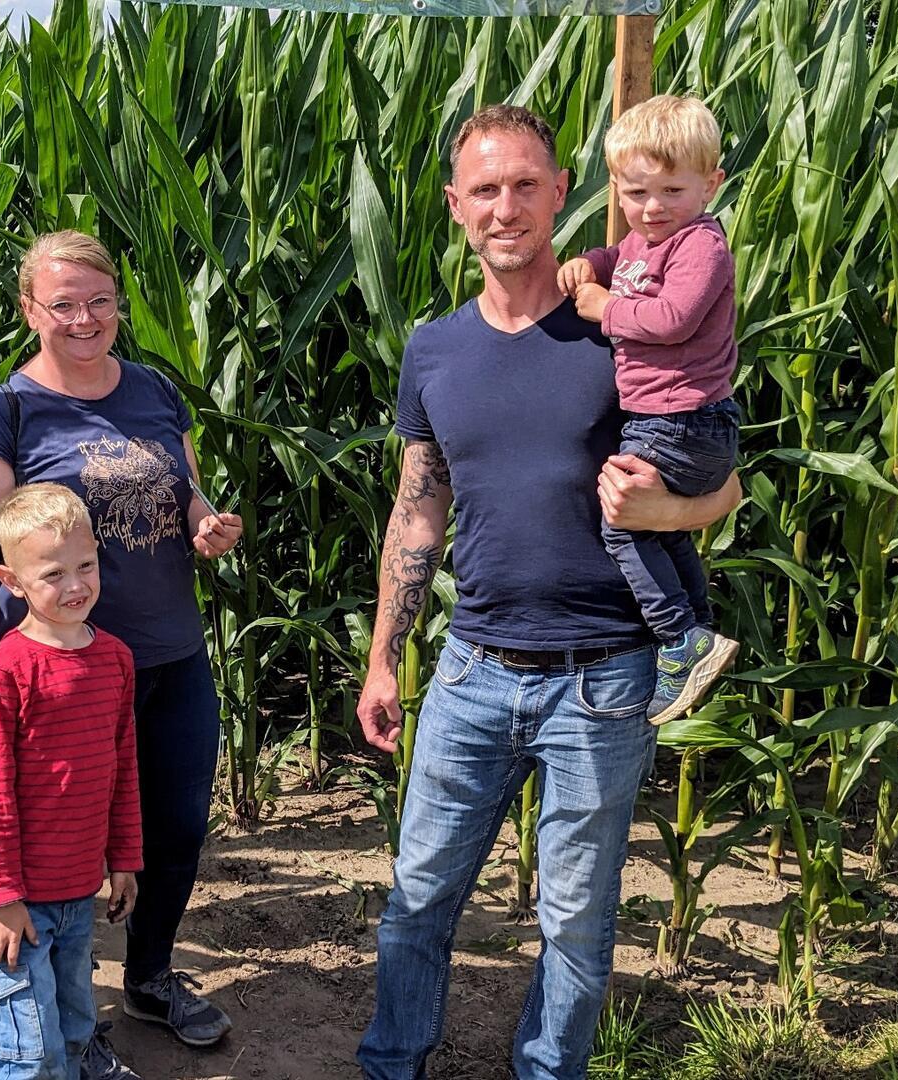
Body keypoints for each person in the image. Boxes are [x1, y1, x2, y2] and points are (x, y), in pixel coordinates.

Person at [354, 105, 743, 1080]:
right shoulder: (434, 349)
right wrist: (382, 657)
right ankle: (391, 1064)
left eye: (527, 183)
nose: (506, 206)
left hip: (606, 681)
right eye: (485, 188)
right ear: (455, 206)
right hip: (471, 670)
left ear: (564, 191)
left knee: (575, 917)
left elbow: (723, 483)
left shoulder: (625, 329)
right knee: (420, 894)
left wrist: (662, 516)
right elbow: (418, 509)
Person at [0, 230, 243, 1050]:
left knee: (174, 829)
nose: (84, 318)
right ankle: (63, 1024)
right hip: (59, 680)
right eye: (62, 303)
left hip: (170, 655)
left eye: (99, 300)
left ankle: (148, 978)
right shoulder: (3, 415)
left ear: (119, 302)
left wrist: (206, 523)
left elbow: (184, 491)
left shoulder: (153, 390)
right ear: (29, 310)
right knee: (55, 849)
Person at [557, 93, 742, 724]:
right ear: (616, 189)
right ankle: (701, 634)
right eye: (636, 194)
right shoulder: (643, 240)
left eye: (671, 190)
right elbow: (622, 260)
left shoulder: (700, 246)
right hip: (667, 419)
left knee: (621, 521)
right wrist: (592, 261)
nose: (653, 208)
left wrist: (603, 308)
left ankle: (678, 638)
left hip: (686, 419)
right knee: (658, 528)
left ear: (710, 184)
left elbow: (672, 318)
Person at [0, 483, 142, 1080]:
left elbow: (123, 769)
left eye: (86, 565)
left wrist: (123, 859)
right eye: (52, 574)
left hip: (76, 887)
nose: (76, 585)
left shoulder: (115, 658)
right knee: (29, 1042)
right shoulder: (5, 672)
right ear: (12, 583)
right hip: (17, 896)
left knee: (74, 1019)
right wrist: (4, 898)